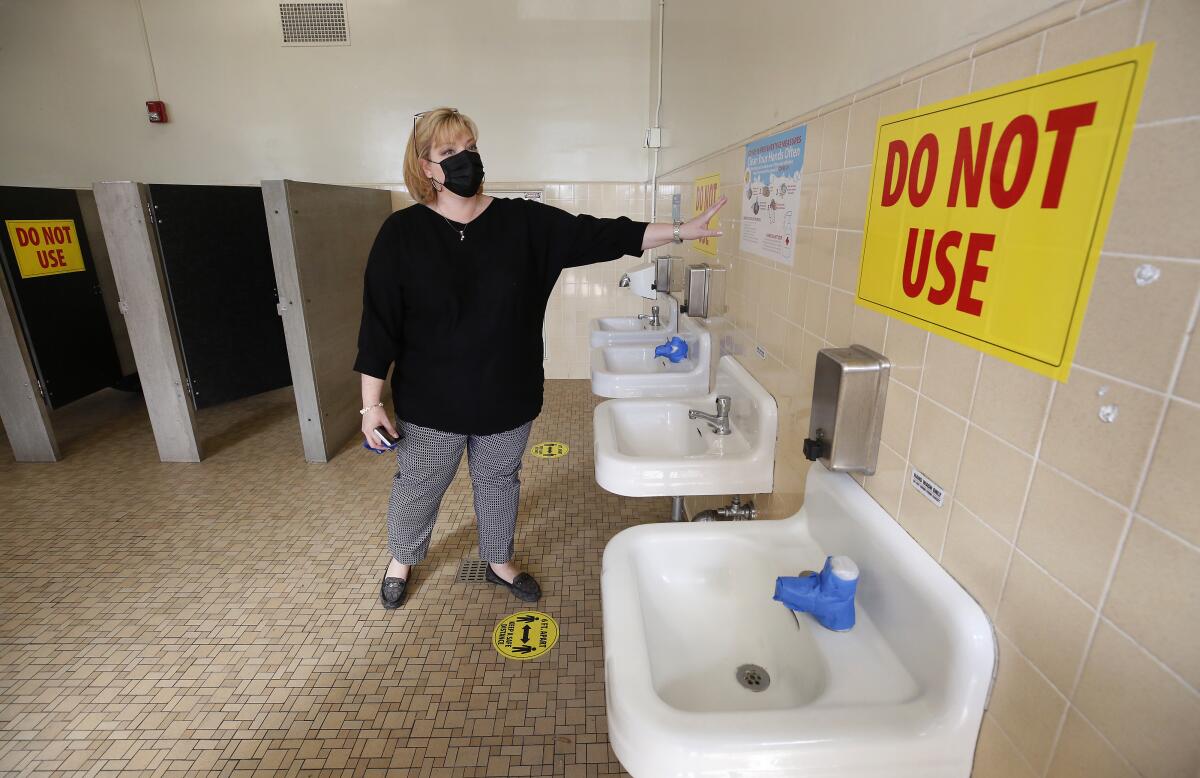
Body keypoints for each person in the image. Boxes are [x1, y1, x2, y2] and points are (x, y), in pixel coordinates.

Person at [355, 107, 726, 609]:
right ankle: (402, 557)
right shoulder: (401, 234)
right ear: (426, 168)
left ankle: (498, 559)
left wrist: (681, 231)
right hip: (429, 403)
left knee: (499, 484)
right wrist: (371, 403)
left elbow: (603, 233)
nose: (465, 159)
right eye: (449, 153)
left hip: (507, 395)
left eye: (469, 146)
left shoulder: (522, 223)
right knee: (419, 486)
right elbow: (379, 324)